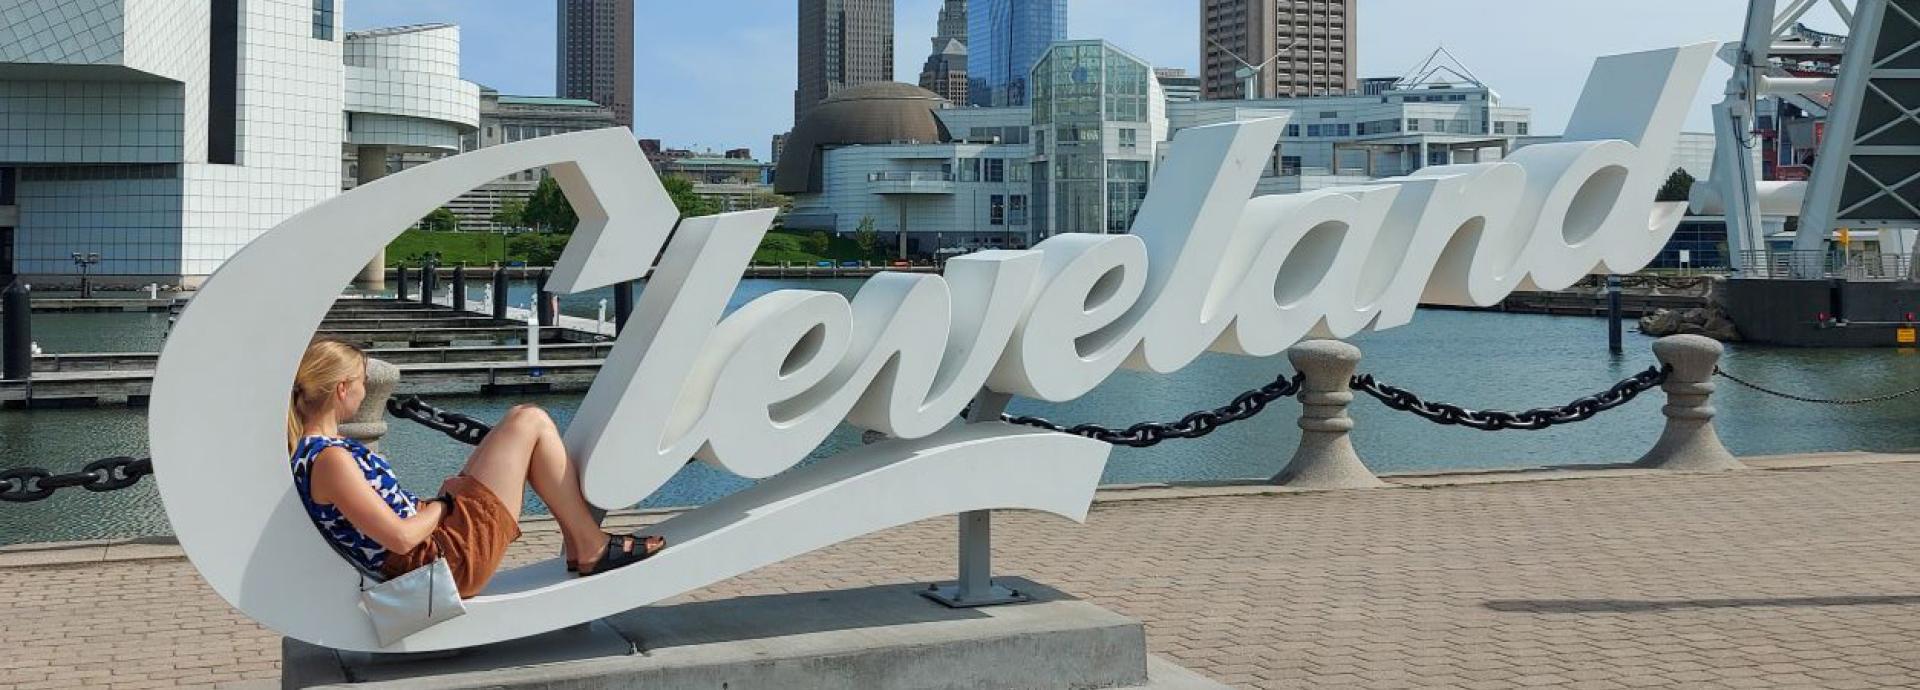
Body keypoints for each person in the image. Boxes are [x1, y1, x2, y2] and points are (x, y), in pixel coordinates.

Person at [286, 339, 662, 598]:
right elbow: (400, 539)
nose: (365, 391)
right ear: (341, 389)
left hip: (433, 550)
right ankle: (590, 545)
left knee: (521, 419)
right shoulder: (330, 459)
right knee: (530, 420)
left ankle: (584, 545)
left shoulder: (312, 452)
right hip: (443, 562)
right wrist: (442, 505)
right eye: (362, 382)